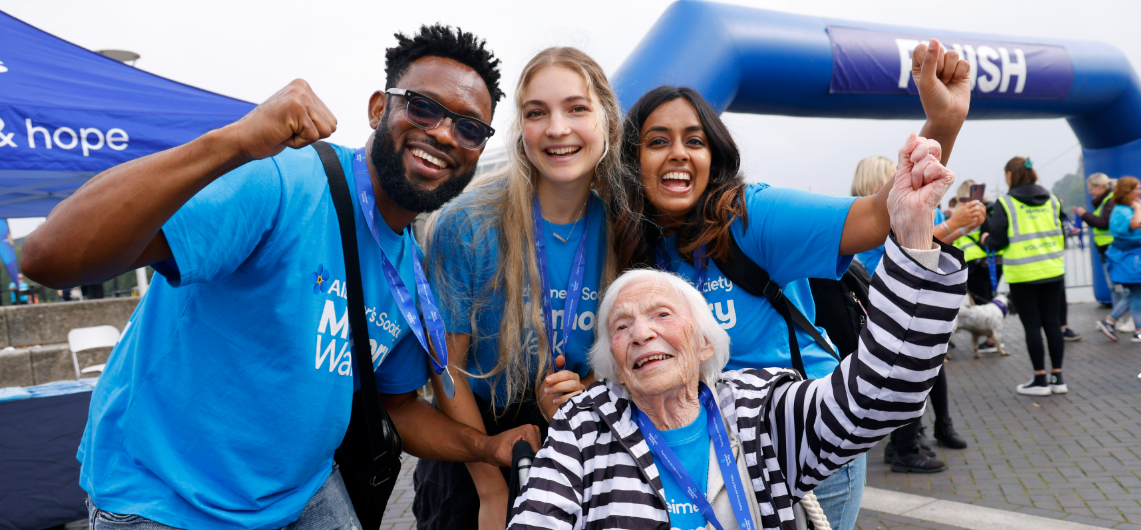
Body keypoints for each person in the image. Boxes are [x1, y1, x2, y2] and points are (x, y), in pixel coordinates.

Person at [20, 25, 541, 530]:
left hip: (303, 495)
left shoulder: (410, 269)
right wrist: (236, 140)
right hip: (164, 501)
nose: (443, 133)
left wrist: (486, 448)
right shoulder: (282, 179)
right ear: (379, 108)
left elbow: (399, 407)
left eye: (469, 127)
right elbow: (48, 257)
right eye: (423, 107)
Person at [507, 135, 966, 530]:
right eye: (621, 327)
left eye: (662, 315)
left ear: (706, 341)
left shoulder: (760, 411)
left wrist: (913, 235)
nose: (642, 332)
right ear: (615, 366)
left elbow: (883, 396)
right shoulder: (584, 427)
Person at [608, 39, 970, 530]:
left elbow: (876, 214)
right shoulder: (637, 249)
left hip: (803, 450)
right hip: (709, 455)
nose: (678, 154)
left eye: (694, 141)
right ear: (633, 159)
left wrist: (943, 122)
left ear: (714, 155)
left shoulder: (752, 216)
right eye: (657, 142)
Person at [418, 47, 620, 530]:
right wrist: (490, 488)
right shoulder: (467, 224)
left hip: (583, 438)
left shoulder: (626, 228)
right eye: (536, 113)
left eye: (576, 108)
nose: (556, 128)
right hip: (474, 438)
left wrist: (588, 389)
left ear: (607, 120)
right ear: (520, 129)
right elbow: (447, 370)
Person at [851, 159, 974, 474]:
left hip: (905, 304)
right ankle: (905, 446)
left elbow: (926, 249)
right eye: (892, 176)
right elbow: (909, 249)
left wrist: (959, 227)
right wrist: (954, 224)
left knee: (926, 367)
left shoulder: (873, 217)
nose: (899, 181)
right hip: (889, 308)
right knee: (905, 373)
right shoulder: (869, 219)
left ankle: (922, 434)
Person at [980, 157, 1067, 396]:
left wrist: (985, 238)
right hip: (1053, 270)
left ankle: (1040, 380)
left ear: (1010, 175)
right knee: (1053, 323)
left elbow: (997, 241)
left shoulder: (1005, 203)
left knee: (1032, 326)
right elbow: (1062, 230)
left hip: (1023, 274)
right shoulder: (1051, 200)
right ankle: (1058, 378)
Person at [1081, 173, 1131, 340]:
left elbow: (1103, 223)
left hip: (1114, 250)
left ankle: (1122, 320)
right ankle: (1116, 321)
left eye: (1091, 189)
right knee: (1116, 287)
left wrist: (1084, 215)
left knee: (1124, 289)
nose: (1089, 193)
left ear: (1100, 186)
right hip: (1108, 250)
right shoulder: (1105, 201)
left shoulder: (1109, 201)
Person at [1105, 176, 1141, 342]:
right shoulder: (1122, 210)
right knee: (1136, 294)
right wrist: (1138, 208)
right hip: (1129, 260)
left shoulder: (1126, 208)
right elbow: (1135, 224)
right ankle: (1138, 330)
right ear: (1128, 191)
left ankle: (1110, 321)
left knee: (1134, 294)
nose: (1139, 191)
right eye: (1137, 188)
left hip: (1133, 258)